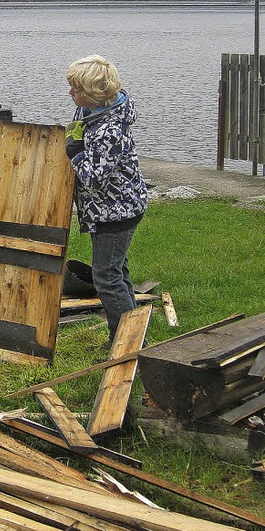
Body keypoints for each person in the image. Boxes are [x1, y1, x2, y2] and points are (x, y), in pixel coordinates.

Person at [64, 55, 148, 344]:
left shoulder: (109, 129)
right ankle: (129, 334)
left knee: (107, 279)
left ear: (91, 94)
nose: (70, 93)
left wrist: (74, 152)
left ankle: (128, 343)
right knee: (117, 273)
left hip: (116, 213)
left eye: (75, 89)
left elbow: (93, 177)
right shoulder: (95, 114)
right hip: (111, 209)